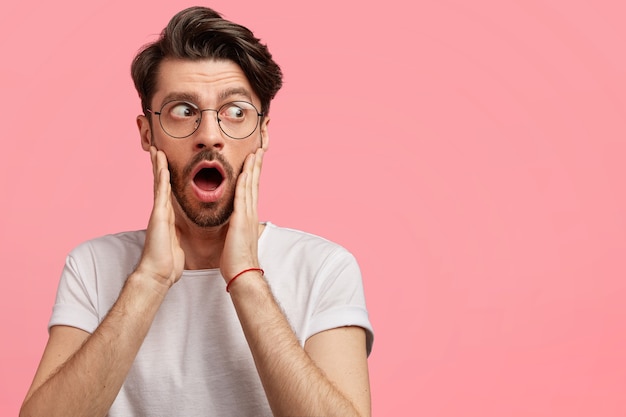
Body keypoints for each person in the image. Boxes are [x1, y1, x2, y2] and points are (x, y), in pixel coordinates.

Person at [20, 6, 373, 417]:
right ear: (147, 133)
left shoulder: (324, 268)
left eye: (236, 112)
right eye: (183, 111)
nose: (209, 135)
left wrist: (245, 277)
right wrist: (149, 280)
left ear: (262, 131)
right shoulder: (93, 267)